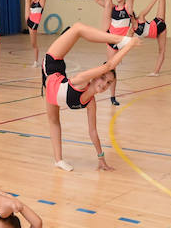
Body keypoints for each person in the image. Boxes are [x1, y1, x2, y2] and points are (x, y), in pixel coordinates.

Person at [40, 23, 137, 171]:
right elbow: (108, 66)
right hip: (53, 62)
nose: (105, 84)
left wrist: (101, 159)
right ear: (95, 77)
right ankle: (120, 39)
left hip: (52, 85)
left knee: (54, 121)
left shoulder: (90, 102)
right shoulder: (81, 81)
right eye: (103, 78)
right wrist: (129, 44)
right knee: (77, 28)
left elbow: (93, 132)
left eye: (109, 83)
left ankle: (58, 160)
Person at [96, 0, 134, 105]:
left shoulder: (127, 7)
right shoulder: (112, 7)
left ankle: (110, 93)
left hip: (122, 41)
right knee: (112, 68)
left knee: (112, 67)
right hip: (110, 39)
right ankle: (112, 97)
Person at [132, 0, 170, 76]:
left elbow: (150, 6)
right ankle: (156, 72)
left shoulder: (141, 16)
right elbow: (125, 40)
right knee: (161, 51)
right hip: (156, 33)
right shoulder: (131, 29)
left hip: (159, 24)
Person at [23, 0, 47, 64]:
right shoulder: (33, 0)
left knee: (33, 44)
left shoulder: (42, 0)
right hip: (28, 18)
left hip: (34, 24)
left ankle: (36, 61)